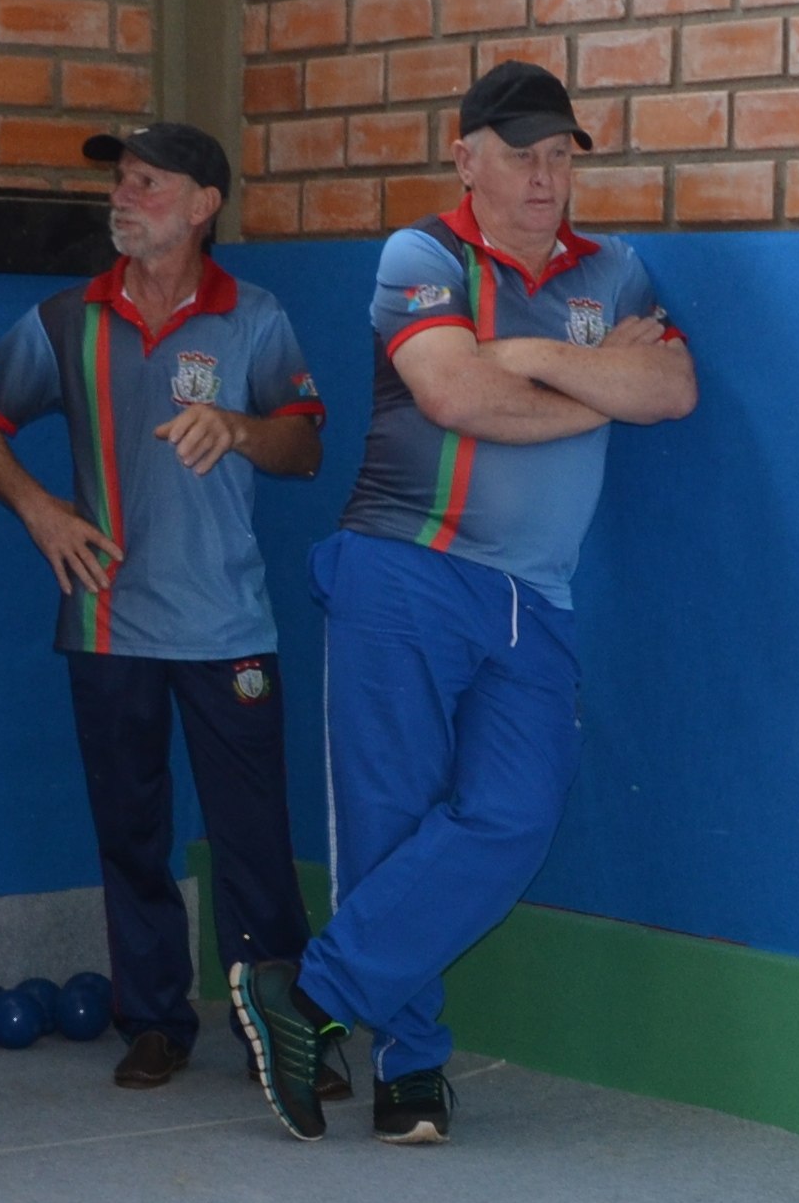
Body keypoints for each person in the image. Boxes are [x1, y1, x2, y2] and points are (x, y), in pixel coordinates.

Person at [223, 60, 694, 1144]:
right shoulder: (420, 255)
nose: (543, 175)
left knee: (514, 812)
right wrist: (591, 384)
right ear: (465, 156)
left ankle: (306, 998)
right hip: (402, 567)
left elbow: (668, 388)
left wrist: (530, 353)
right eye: (521, 152)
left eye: (561, 155)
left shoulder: (613, 271)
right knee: (388, 822)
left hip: (536, 599)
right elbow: (452, 394)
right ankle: (412, 1070)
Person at [0, 122, 325, 1087]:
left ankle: (281, 1030)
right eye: (121, 181)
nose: (124, 197)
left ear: (203, 206)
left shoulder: (256, 317)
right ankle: (153, 1019)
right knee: (131, 834)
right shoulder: (68, 317)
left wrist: (240, 427)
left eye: (148, 183)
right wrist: (39, 511)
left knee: (255, 846)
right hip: (107, 625)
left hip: (231, 627)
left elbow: (305, 447)